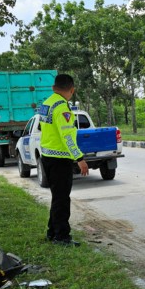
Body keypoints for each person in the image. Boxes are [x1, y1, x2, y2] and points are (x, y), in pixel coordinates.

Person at [39, 73, 89, 246]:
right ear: (72, 90)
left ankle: (52, 232)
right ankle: (62, 237)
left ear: (54, 88)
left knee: (57, 197)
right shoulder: (62, 108)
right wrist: (79, 158)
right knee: (62, 199)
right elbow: (67, 136)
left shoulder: (47, 103)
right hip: (60, 159)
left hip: (47, 156)